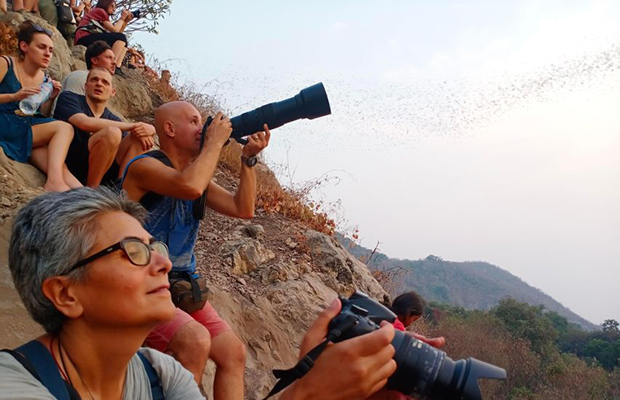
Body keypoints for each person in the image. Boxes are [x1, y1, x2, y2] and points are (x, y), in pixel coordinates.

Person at [0, 186, 405, 400]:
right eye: (133, 252)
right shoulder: (14, 387)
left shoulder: (162, 374)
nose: (161, 263)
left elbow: (242, 206)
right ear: (65, 294)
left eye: (154, 246)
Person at [121, 103, 269, 400]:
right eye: (193, 121)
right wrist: (214, 143)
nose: (202, 128)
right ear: (170, 129)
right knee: (195, 341)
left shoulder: (195, 176)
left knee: (233, 353)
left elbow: (243, 209)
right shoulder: (143, 166)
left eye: (202, 122)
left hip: (181, 285)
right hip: (138, 284)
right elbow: (188, 187)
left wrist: (248, 160)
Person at [0, 21, 80, 192]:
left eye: (50, 50)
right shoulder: (6, 63)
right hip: (4, 123)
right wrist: (13, 96)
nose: (47, 54)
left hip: (24, 127)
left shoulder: (44, 79)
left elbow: (37, 113)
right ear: (24, 46)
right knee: (65, 128)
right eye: (42, 47)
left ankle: (89, 200)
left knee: (58, 166)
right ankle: (53, 184)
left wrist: (50, 98)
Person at [53, 67, 154, 187]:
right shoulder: (69, 98)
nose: (99, 84)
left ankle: (122, 188)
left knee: (140, 138)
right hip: (72, 163)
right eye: (94, 80)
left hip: (104, 172)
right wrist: (134, 126)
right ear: (86, 86)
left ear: (113, 92)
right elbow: (83, 122)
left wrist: (149, 130)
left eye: (105, 82)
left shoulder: (114, 119)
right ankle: (92, 190)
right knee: (112, 133)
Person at [74, 0, 135, 70]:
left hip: (87, 38)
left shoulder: (101, 14)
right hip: (83, 38)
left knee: (124, 42)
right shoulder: (100, 11)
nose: (114, 9)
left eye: (115, 7)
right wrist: (122, 18)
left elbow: (118, 35)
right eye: (112, 6)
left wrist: (125, 21)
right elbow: (115, 30)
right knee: (121, 37)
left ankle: (117, 66)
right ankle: (112, 64)